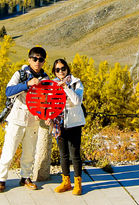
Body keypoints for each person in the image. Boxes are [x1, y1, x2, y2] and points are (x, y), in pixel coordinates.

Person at [0, 46, 49, 193]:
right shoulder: (20, 74)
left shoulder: (46, 79)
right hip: (17, 117)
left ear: (44, 62)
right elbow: (8, 91)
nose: (37, 62)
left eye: (41, 59)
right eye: (35, 59)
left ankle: (25, 177)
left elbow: (47, 100)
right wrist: (26, 84)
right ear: (29, 59)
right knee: (9, 149)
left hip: (34, 119)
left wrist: (43, 113)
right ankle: (1, 180)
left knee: (30, 151)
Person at [51, 58, 85, 196]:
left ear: (67, 69)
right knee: (63, 154)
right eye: (57, 69)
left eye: (63, 68)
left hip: (74, 122)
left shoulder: (76, 82)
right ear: (54, 71)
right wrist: (49, 118)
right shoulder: (52, 84)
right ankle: (66, 182)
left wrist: (65, 87)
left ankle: (78, 184)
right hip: (59, 124)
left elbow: (77, 101)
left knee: (75, 154)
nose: (61, 72)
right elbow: (49, 104)